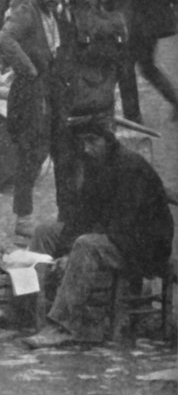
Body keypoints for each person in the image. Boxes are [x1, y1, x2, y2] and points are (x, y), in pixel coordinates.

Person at [24, 120, 174, 348]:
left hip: (144, 245)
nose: (86, 148)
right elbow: (82, 216)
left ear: (108, 139)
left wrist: (72, 252)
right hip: (116, 235)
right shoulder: (96, 164)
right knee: (45, 231)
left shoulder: (130, 166)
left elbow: (125, 223)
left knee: (86, 245)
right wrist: (65, 249)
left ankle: (63, 326)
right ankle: (26, 310)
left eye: (93, 141)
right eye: (82, 142)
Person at [0, 0, 76, 239]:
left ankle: (66, 215)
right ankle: (24, 216)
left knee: (62, 151)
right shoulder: (26, 13)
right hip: (31, 94)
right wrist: (27, 68)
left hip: (53, 91)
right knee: (32, 154)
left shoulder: (56, 14)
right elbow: (4, 40)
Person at [120, 0, 178, 120]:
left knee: (127, 69)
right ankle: (175, 100)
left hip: (137, 26)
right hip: (155, 26)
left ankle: (132, 116)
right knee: (148, 67)